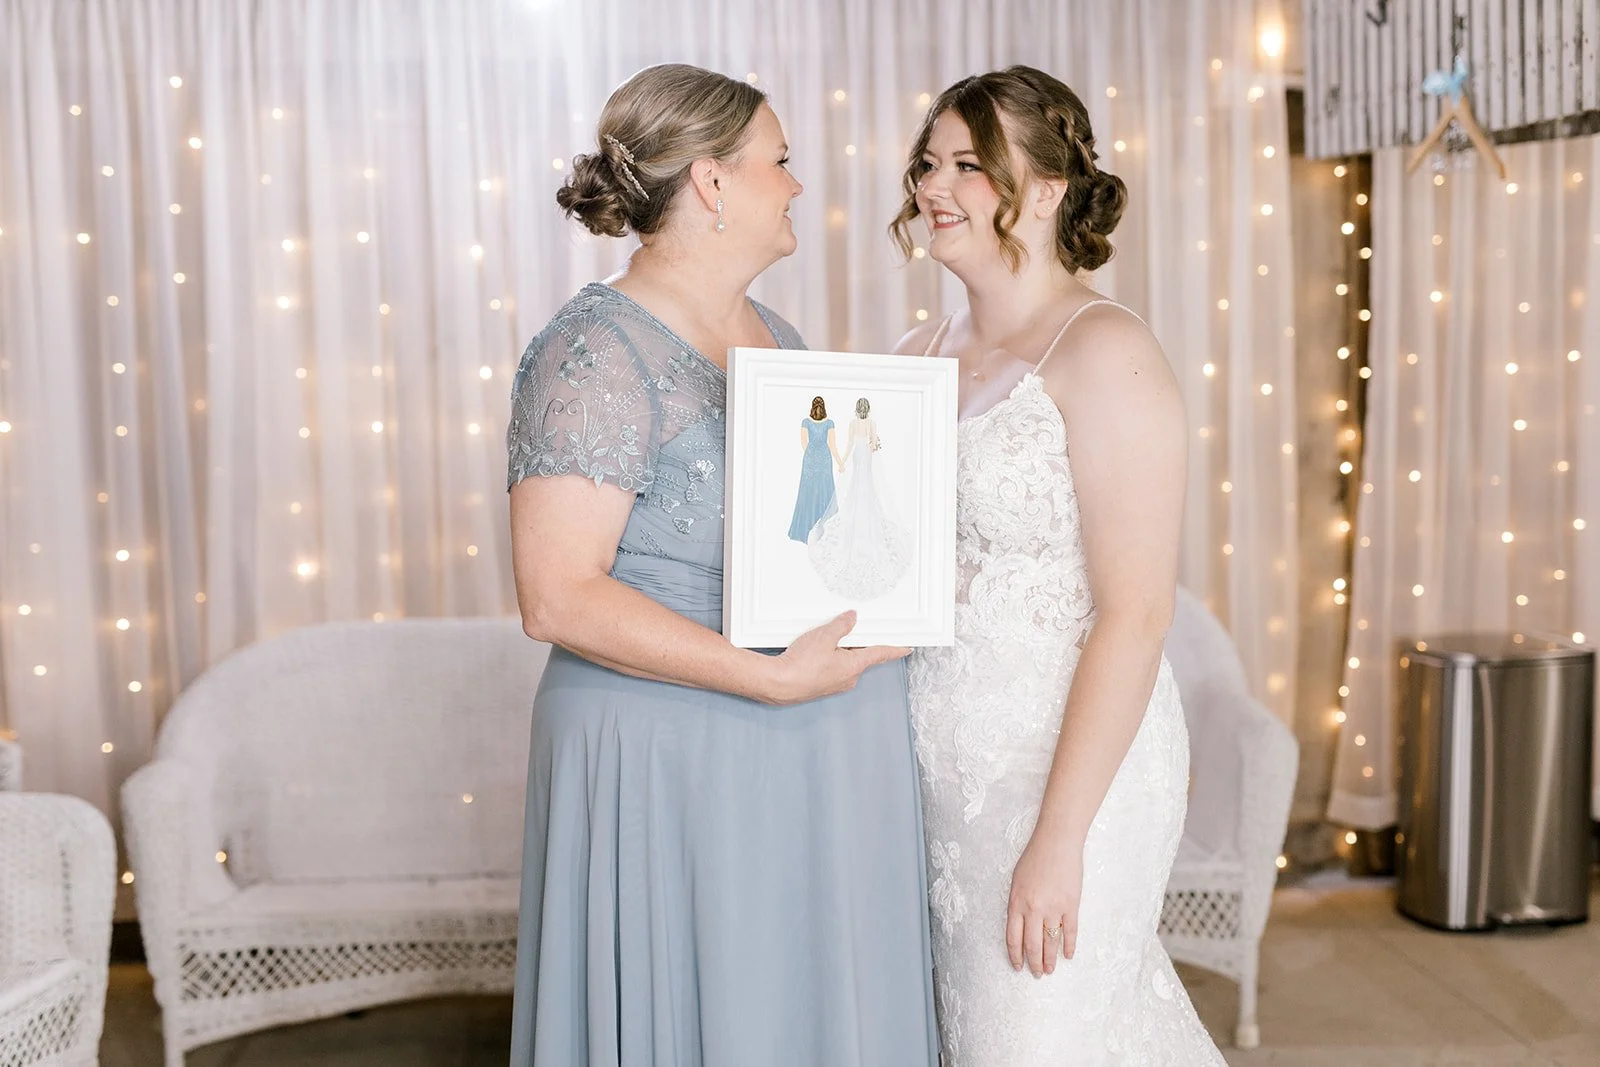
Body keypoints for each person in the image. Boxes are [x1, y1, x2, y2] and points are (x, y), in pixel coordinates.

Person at [505, 64, 938, 1066]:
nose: (794, 184)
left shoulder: (776, 338)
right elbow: (555, 593)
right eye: (778, 161)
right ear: (710, 182)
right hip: (672, 745)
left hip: (802, 737)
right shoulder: (591, 351)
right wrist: (769, 675)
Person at [892, 66, 1225, 1064]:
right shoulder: (910, 357)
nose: (931, 188)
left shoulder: (1106, 350)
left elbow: (1134, 615)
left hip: (1073, 770)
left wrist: (1059, 835)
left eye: (966, 166)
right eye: (926, 163)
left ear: (1044, 189)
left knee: (1035, 1037)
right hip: (938, 774)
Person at [808, 397, 911, 599]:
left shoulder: (853, 423)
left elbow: (849, 445)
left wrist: (843, 461)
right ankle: (865, 511)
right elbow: (873, 444)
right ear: (868, 409)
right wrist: (875, 445)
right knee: (866, 483)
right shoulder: (871, 423)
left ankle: (857, 510)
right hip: (866, 455)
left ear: (856, 409)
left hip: (857, 454)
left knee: (858, 483)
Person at [787, 395, 840, 541]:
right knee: (825, 490)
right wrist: (840, 462)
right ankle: (824, 531)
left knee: (808, 491)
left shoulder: (806, 422)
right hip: (824, 459)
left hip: (810, 459)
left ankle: (806, 530)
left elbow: (804, 443)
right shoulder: (829, 423)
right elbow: (833, 446)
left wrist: (811, 456)